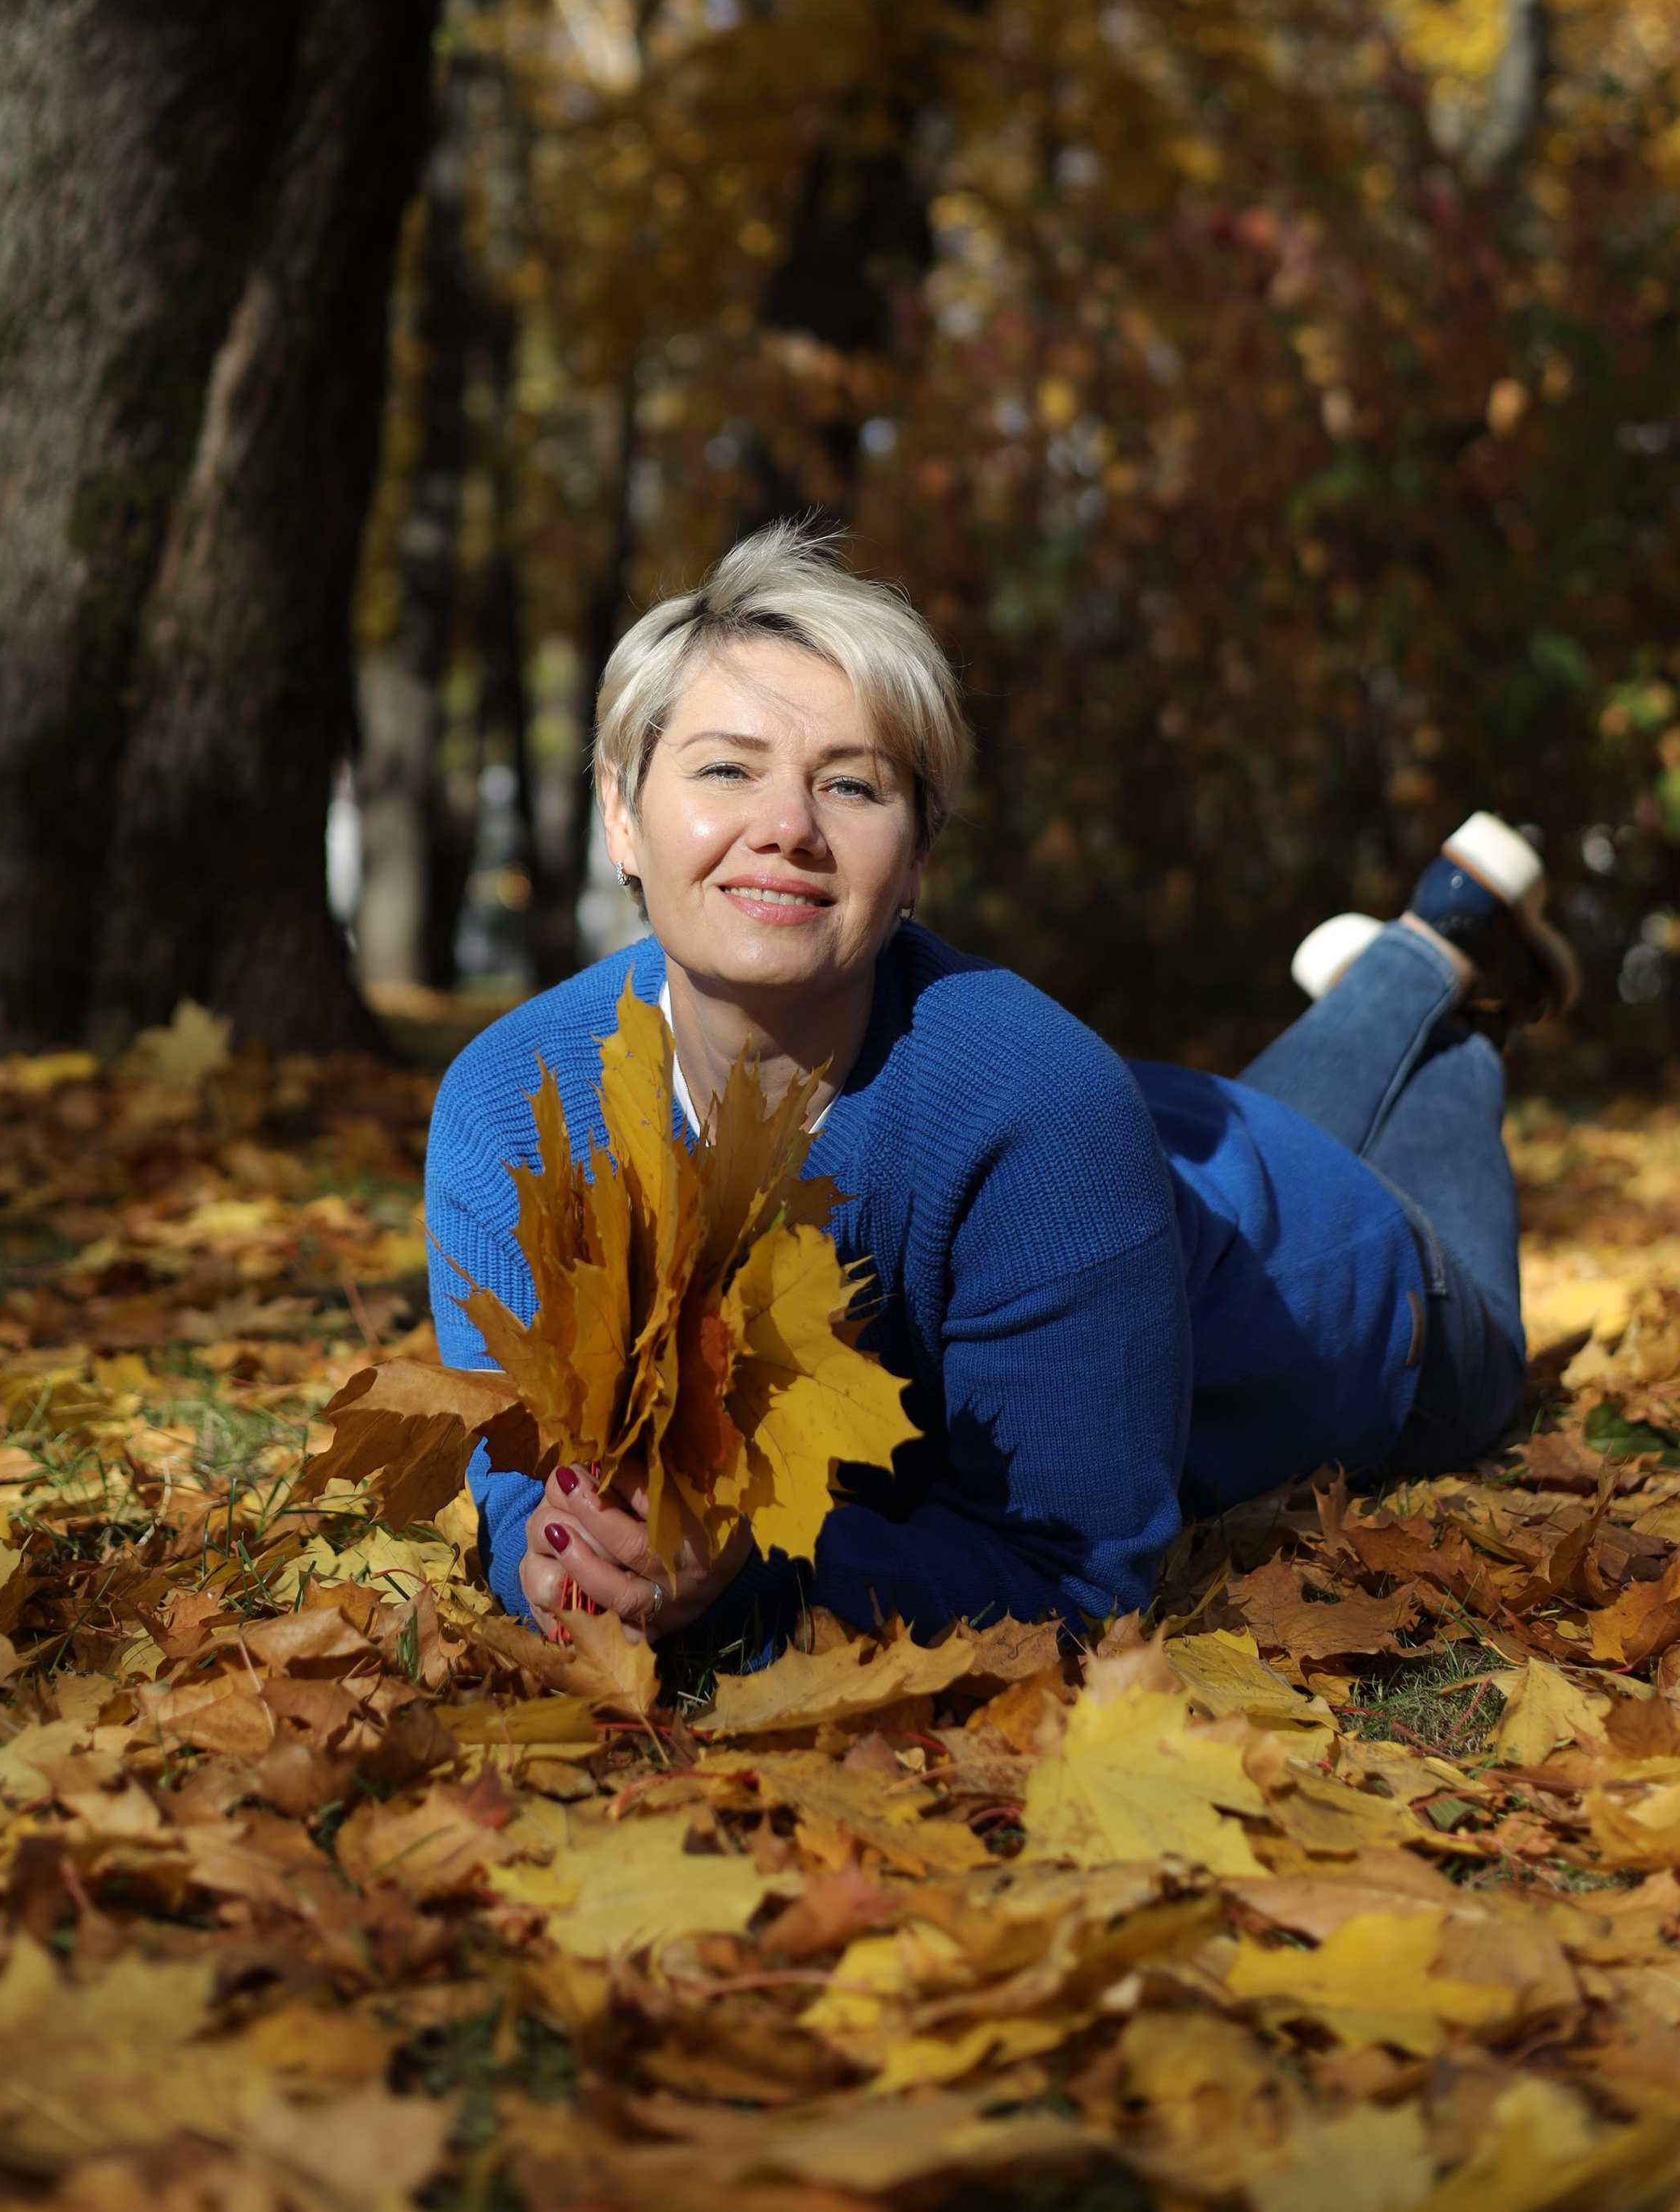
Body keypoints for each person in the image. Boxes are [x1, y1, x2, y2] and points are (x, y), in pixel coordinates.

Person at [424, 522, 1573, 1655]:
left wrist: (751, 1584)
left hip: (1340, 1282)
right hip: (1146, 1160)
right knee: (1163, 1136)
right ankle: (1423, 955)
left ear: (919, 853)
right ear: (621, 811)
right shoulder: (510, 1105)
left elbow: (1077, 1574)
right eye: (726, 768)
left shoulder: (1041, 1111)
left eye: (852, 787)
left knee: (1477, 1328)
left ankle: (1451, 1008)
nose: (786, 829)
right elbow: (527, 1476)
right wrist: (561, 1568)